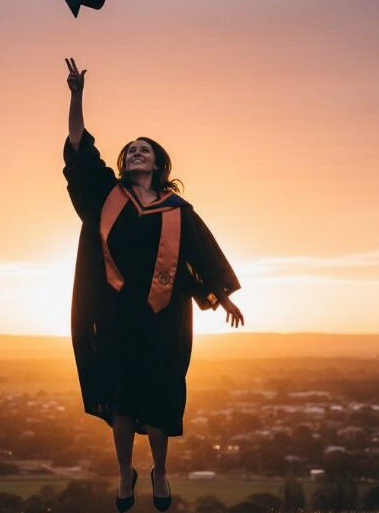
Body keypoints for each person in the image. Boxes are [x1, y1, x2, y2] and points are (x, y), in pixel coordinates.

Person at [62, 57, 244, 512]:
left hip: (164, 316)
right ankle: (126, 472)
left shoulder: (179, 210)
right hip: (116, 312)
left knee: (161, 398)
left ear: (159, 162)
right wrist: (77, 96)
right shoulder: (108, 196)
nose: (136, 153)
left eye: (145, 149)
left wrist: (221, 296)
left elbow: (201, 254)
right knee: (122, 401)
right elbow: (81, 150)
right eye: (131, 150)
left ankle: (160, 470)